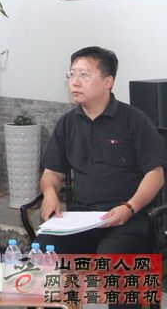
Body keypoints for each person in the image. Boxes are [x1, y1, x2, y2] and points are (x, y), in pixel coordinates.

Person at [36, 46, 167, 255]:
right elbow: (52, 172)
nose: (75, 82)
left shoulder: (134, 120)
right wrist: (50, 193)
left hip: (130, 217)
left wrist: (129, 208)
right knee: (44, 249)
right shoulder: (67, 123)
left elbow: (156, 174)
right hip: (83, 217)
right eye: (72, 74)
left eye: (84, 75)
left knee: (110, 257)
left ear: (108, 82)